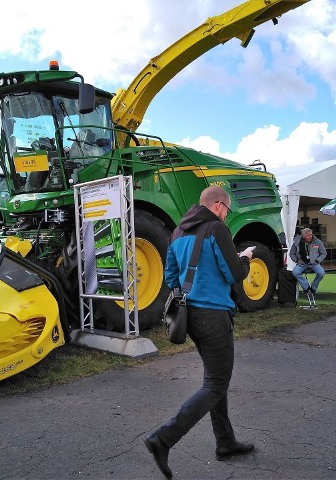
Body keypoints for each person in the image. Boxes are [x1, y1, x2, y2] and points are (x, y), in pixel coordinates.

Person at [144, 186, 254, 479]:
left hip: (190, 316)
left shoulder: (178, 232)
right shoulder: (216, 230)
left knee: (215, 380)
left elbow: (170, 276)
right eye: (227, 210)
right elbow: (235, 274)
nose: (226, 216)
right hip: (214, 316)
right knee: (216, 384)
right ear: (219, 206)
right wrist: (245, 258)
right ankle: (163, 438)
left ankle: (225, 442)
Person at [289, 227, 327, 294]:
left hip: (314, 263)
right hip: (302, 263)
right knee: (295, 272)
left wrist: (318, 260)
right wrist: (297, 260)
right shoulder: (297, 242)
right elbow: (292, 253)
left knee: (321, 273)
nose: (310, 236)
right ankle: (306, 287)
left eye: (311, 235)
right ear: (303, 236)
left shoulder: (318, 242)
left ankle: (314, 287)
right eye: (308, 235)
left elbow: (323, 253)